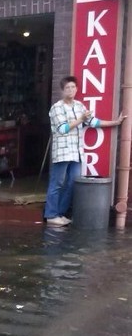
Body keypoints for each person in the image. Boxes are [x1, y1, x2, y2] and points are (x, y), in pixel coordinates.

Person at [45, 75, 126, 226]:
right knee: (57, 183)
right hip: (62, 152)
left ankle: (60, 213)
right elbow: (63, 129)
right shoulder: (57, 108)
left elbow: (93, 122)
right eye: (67, 87)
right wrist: (81, 120)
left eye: (73, 87)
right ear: (62, 91)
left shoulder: (79, 106)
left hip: (76, 152)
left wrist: (116, 122)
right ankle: (51, 215)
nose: (71, 90)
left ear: (76, 89)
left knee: (73, 183)